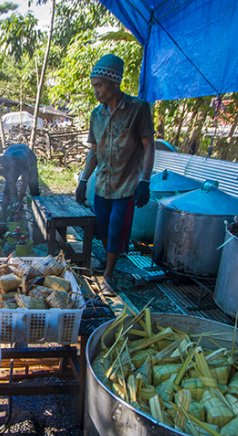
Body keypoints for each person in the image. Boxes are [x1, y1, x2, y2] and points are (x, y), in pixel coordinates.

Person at [75, 54, 154, 292]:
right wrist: (83, 179)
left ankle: (109, 274)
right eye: (94, 86)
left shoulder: (138, 109)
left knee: (117, 228)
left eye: (99, 85)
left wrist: (145, 181)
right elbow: (94, 150)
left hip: (126, 185)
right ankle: (109, 262)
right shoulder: (96, 115)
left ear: (114, 82)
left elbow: (149, 146)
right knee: (101, 228)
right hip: (102, 185)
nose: (96, 91)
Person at [0, 143, 40, 219]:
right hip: (13, 153)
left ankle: (38, 214)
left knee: (33, 185)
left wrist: (19, 201)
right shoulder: (3, 163)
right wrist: (15, 199)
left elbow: (23, 184)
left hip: (29, 158)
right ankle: (3, 212)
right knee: (7, 189)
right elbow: (11, 182)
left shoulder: (22, 161)